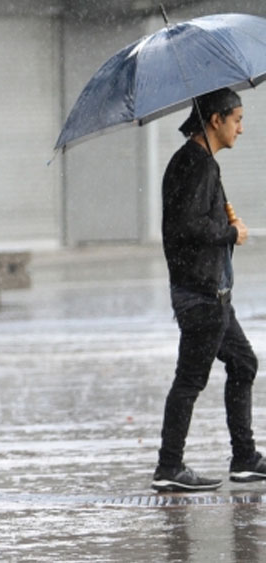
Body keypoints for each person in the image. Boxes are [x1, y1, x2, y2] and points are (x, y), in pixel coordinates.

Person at [152, 87, 266, 492]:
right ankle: (169, 467)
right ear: (215, 120)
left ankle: (245, 458)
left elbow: (191, 220)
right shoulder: (196, 165)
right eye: (237, 119)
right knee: (189, 380)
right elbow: (187, 226)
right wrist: (232, 232)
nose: (241, 128)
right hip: (201, 295)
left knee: (243, 363)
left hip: (209, 292)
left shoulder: (196, 162)